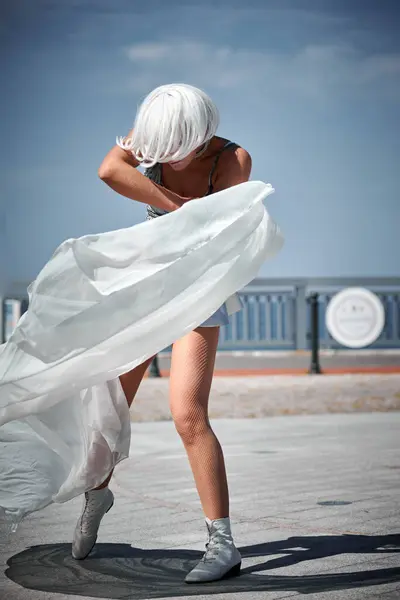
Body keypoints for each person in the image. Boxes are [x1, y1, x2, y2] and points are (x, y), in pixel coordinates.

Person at [71, 83, 252, 583]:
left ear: (199, 135)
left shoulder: (232, 160)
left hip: (199, 286)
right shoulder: (151, 137)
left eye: (176, 149)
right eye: (156, 149)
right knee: (111, 402)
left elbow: (218, 236)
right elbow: (110, 169)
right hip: (146, 282)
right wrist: (176, 205)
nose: (162, 156)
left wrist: (176, 211)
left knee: (188, 413)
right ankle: (96, 496)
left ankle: (222, 543)